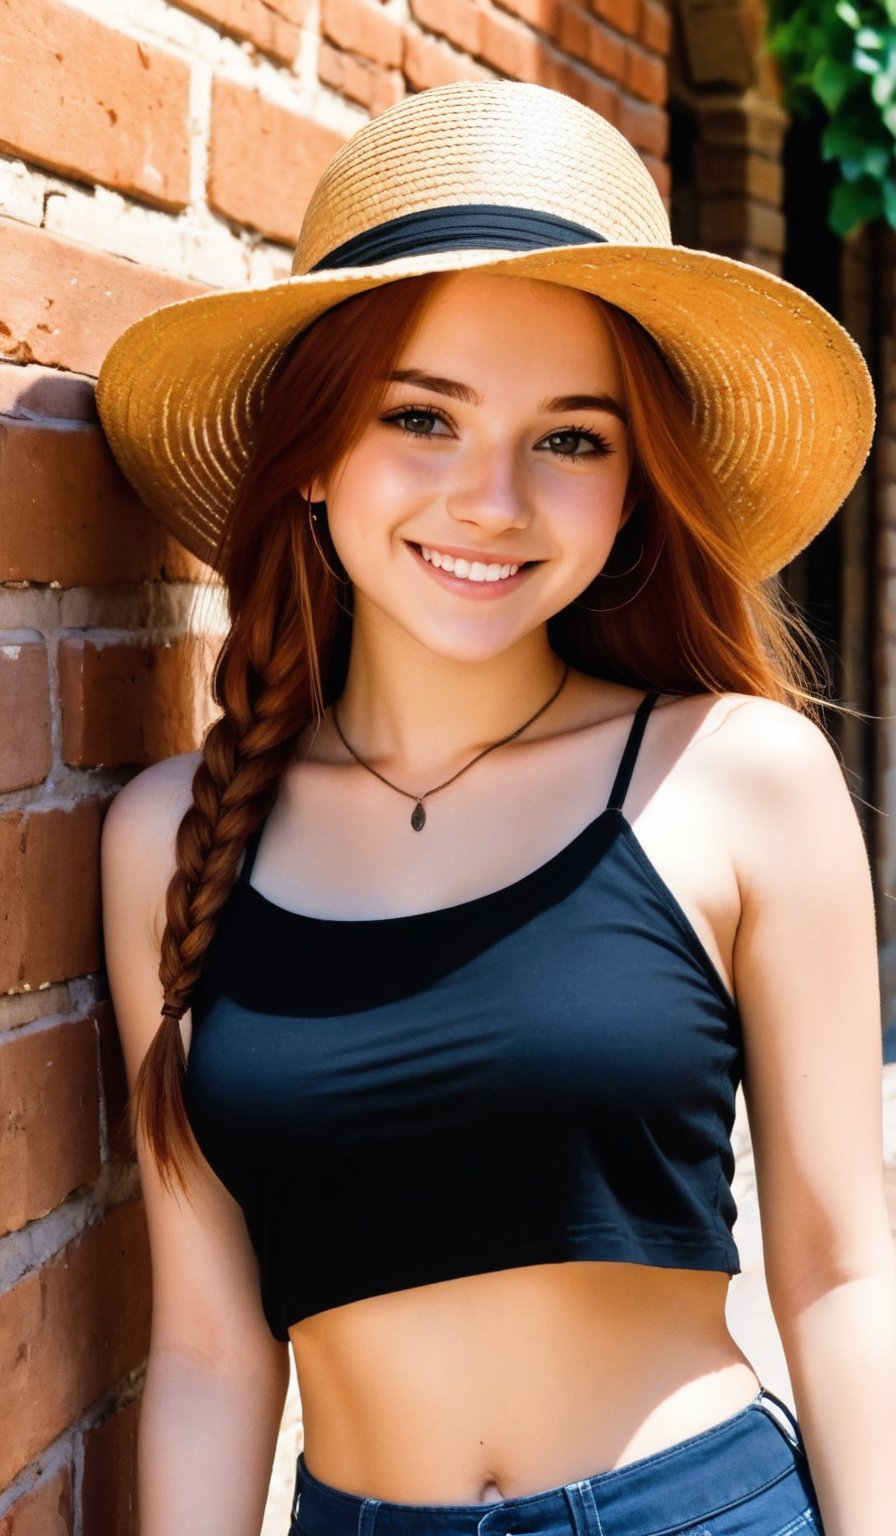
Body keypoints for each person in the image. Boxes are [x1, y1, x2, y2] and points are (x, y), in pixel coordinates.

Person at [97, 80, 895, 1536]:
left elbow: (843, 1272)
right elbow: (212, 1353)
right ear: (317, 458)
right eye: (422, 416)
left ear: (639, 487)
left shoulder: (737, 778)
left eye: (573, 439)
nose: (493, 500)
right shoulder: (175, 833)